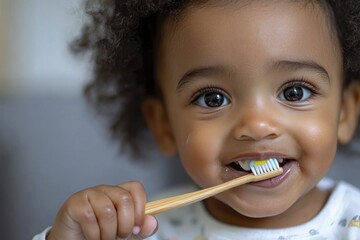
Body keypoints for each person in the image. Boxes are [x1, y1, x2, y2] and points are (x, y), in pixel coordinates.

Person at [34, 0, 360, 239]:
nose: (258, 126)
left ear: (345, 111)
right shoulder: (143, 229)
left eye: (295, 93)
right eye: (213, 98)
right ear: (163, 124)